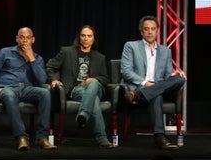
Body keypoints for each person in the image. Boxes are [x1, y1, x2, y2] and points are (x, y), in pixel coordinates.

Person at [0, 26, 57, 150]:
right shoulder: (5, 52)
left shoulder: (37, 58)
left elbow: (41, 80)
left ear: (33, 40)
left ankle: (42, 137)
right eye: (22, 37)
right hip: (8, 88)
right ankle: (22, 137)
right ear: (17, 39)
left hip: (28, 89)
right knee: (9, 95)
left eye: (28, 38)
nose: (25, 41)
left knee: (45, 93)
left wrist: (31, 59)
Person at [120, 15, 186, 150]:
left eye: (153, 29)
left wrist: (174, 74)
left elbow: (167, 74)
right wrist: (145, 83)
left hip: (151, 88)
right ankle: (160, 137)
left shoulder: (165, 51)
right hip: (142, 86)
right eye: (146, 29)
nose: (150, 32)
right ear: (141, 31)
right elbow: (126, 71)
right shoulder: (131, 46)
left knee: (180, 78)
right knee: (157, 94)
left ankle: (138, 94)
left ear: (157, 31)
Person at [46, 24, 114, 148]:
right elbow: (50, 66)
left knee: (93, 84)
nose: (86, 38)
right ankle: (102, 138)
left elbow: (105, 78)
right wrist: (54, 80)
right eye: (83, 35)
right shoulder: (66, 52)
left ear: (93, 39)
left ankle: (83, 113)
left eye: (89, 36)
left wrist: (95, 79)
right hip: (76, 90)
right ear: (79, 37)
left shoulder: (100, 57)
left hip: (96, 88)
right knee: (94, 101)